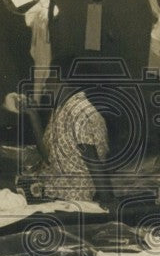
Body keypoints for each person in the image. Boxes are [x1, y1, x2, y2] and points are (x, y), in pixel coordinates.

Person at [23, 60, 114, 206]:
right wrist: (33, 115)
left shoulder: (79, 112)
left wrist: (109, 205)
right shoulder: (61, 109)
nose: (45, 82)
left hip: (71, 201)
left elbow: (94, 163)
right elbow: (48, 157)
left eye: (49, 76)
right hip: (53, 193)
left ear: (64, 79)